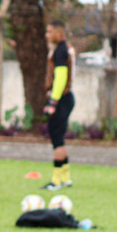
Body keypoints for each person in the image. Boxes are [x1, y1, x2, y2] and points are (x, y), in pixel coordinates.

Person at [42, 20, 75, 190]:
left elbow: (61, 77)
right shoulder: (62, 48)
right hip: (65, 98)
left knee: (57, 138)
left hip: (61, 99)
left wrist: (53, 102)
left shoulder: (61, 50)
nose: (47, 35)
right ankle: (66, 177)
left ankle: (56, 181)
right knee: (59, 137)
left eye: (49, 31)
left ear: (57, 32)